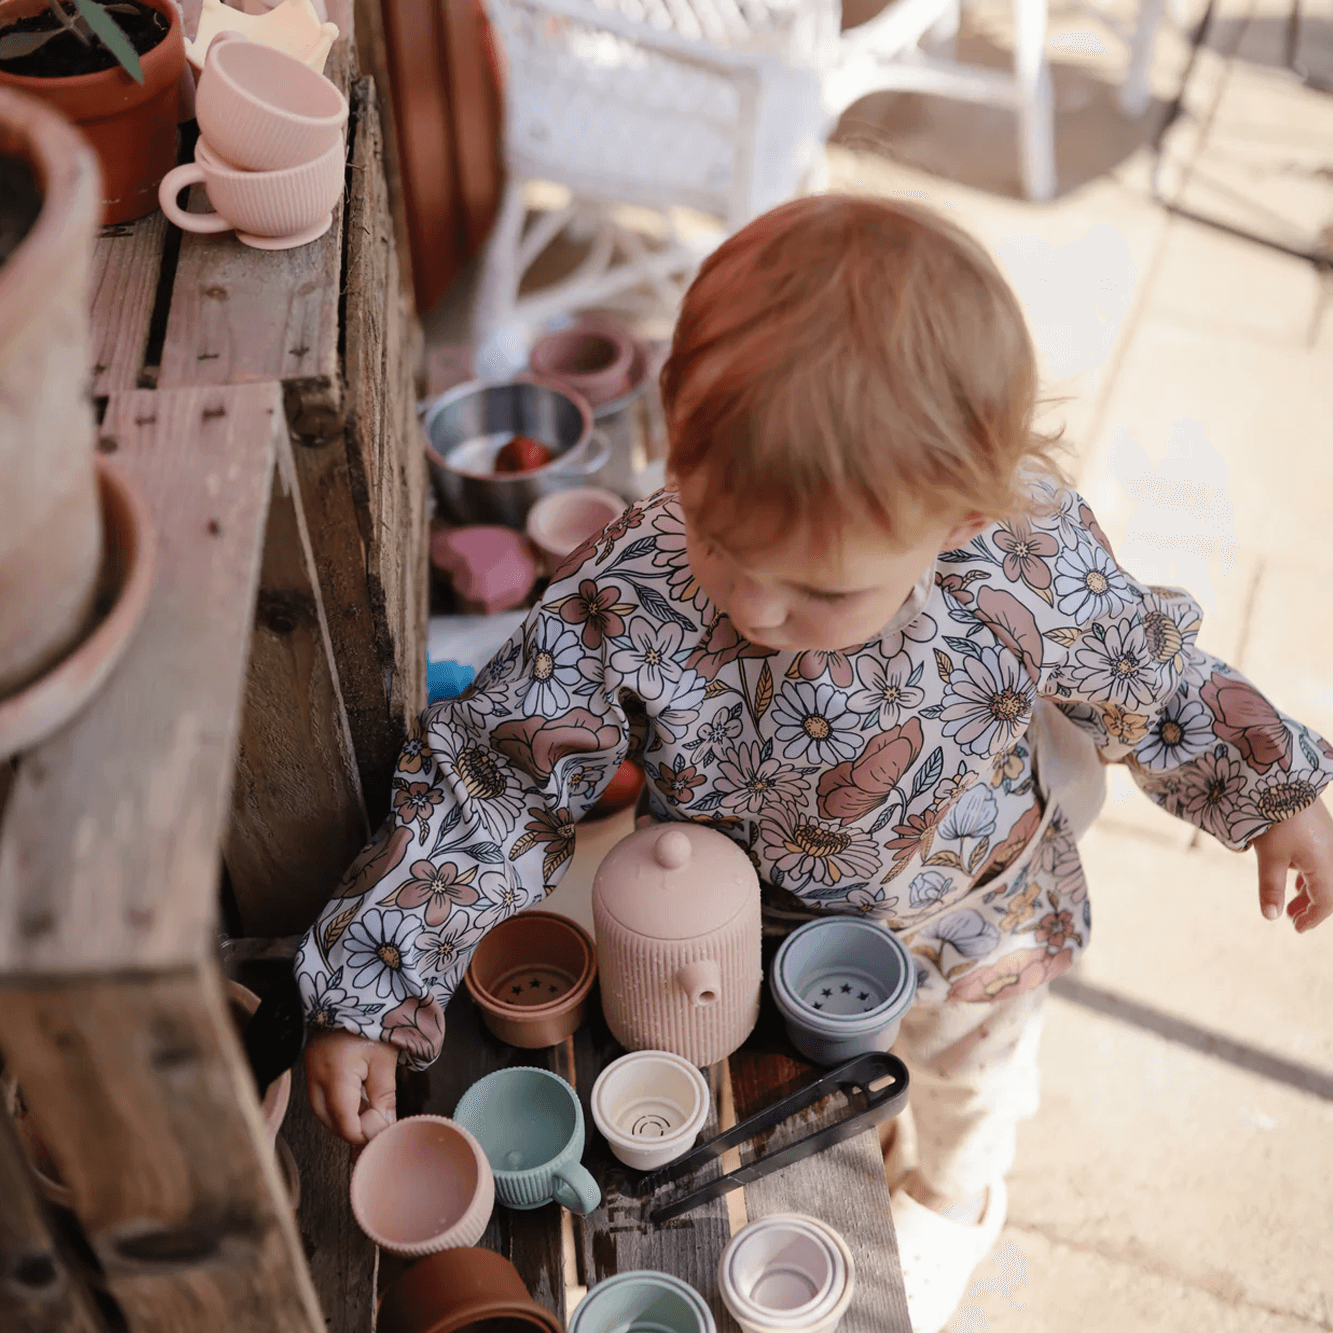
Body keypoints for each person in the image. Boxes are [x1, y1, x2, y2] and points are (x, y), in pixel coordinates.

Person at [295, 195, 1333, 1333]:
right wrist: (374, 987)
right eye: (717, 539)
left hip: (976, 917)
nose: (752, 605)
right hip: (737, 937)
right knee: (776, 1113)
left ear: (961, 514)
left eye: (820, 588)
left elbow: (1155, 678)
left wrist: (1275, 791)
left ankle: (951, 1195)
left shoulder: (1025, 562)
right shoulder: (639, 584)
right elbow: (498, 779)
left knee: (969, 1081)